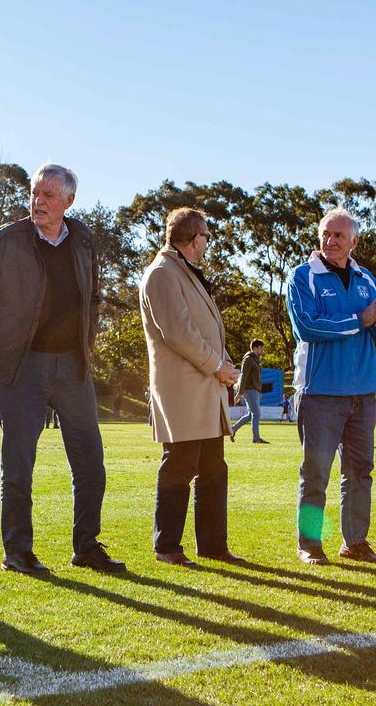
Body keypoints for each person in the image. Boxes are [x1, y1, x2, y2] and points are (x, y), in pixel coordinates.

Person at [0, 162, 125, 574]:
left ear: (69, 200)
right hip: (21, 367)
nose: (38, 201)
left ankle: (86, 546)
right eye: (35, 193)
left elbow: (95, 299)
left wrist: (86, 347)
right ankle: (18, 552)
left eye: (48, 195)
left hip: (73, 368)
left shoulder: (84, 240)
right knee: (18, 464)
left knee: (91, 464)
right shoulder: (6, 241)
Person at [287, 207, 376, 565]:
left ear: (354, 241)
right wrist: (361, 318)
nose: (331, 241)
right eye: (325, 233)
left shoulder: (367, 278)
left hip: (363, 392)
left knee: (360, 471)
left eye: (339, 235)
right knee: (316, 472)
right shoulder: (303, 277)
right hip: (320, 392)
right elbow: (308, 326)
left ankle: (356, 542)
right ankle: (310, 544)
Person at [140, 207, 246, 567]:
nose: (207, 244)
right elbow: (179, 333)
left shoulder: (184, 272)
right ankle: (167, 546)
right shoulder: (162, 274)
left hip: (207, 390)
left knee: (214, 468)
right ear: (193, 239)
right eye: (206, 238)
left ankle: (213, 545)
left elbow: (206, 330)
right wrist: (217, 366)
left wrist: (226, 364)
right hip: (183, 392)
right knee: (180, 467)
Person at [230, 339, 269, 444]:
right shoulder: (248, 359)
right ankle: (256, 438)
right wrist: (240, 392)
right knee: (256, 413)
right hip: (249, 390)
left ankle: (232, 429)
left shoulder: (256, 360)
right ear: (255, 348)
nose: (262, 350)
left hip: (254, 390)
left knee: (250, 415)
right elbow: (243, 376)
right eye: (261, 348)